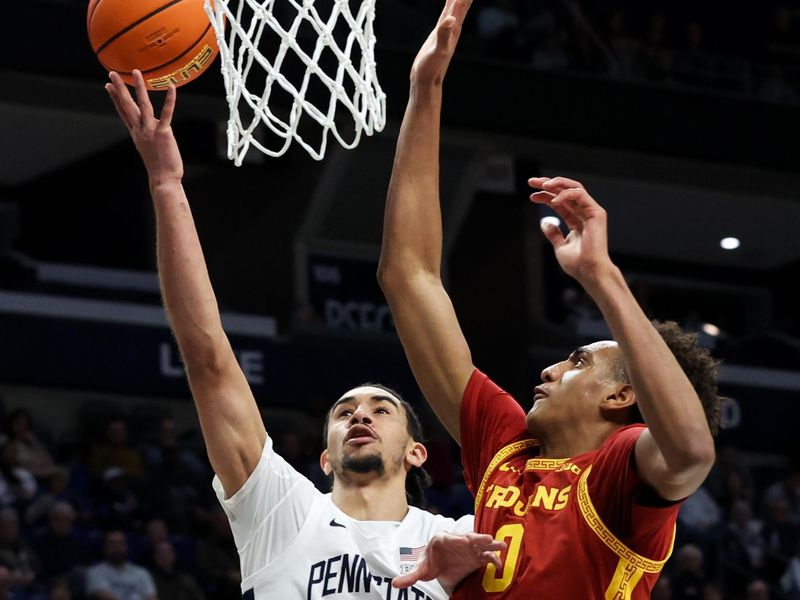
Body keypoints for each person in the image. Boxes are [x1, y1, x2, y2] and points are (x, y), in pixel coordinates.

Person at [104, 69, 502, 599]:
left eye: (381, 410)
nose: (360, 414)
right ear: (324, 458)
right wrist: (166, 184)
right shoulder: (282, 509)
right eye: (344, 413)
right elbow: (208, 358)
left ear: (417, 453)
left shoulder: (456, 539)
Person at [378, 0, 723, 596]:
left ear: (623, 395)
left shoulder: (620, 472)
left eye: (579, 361)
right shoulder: (507, 449)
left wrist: (602, 277)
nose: (551, 367)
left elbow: (690, 450)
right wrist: (425, 90)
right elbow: (408, 276)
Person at [85, 530, 157, 600]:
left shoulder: (141, 572)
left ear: (126, 547)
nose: (117, 548)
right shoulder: (96, 572)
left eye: (121, 543)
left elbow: (151, 597)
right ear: (105, 548)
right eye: (112, 544)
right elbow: (104, 596)